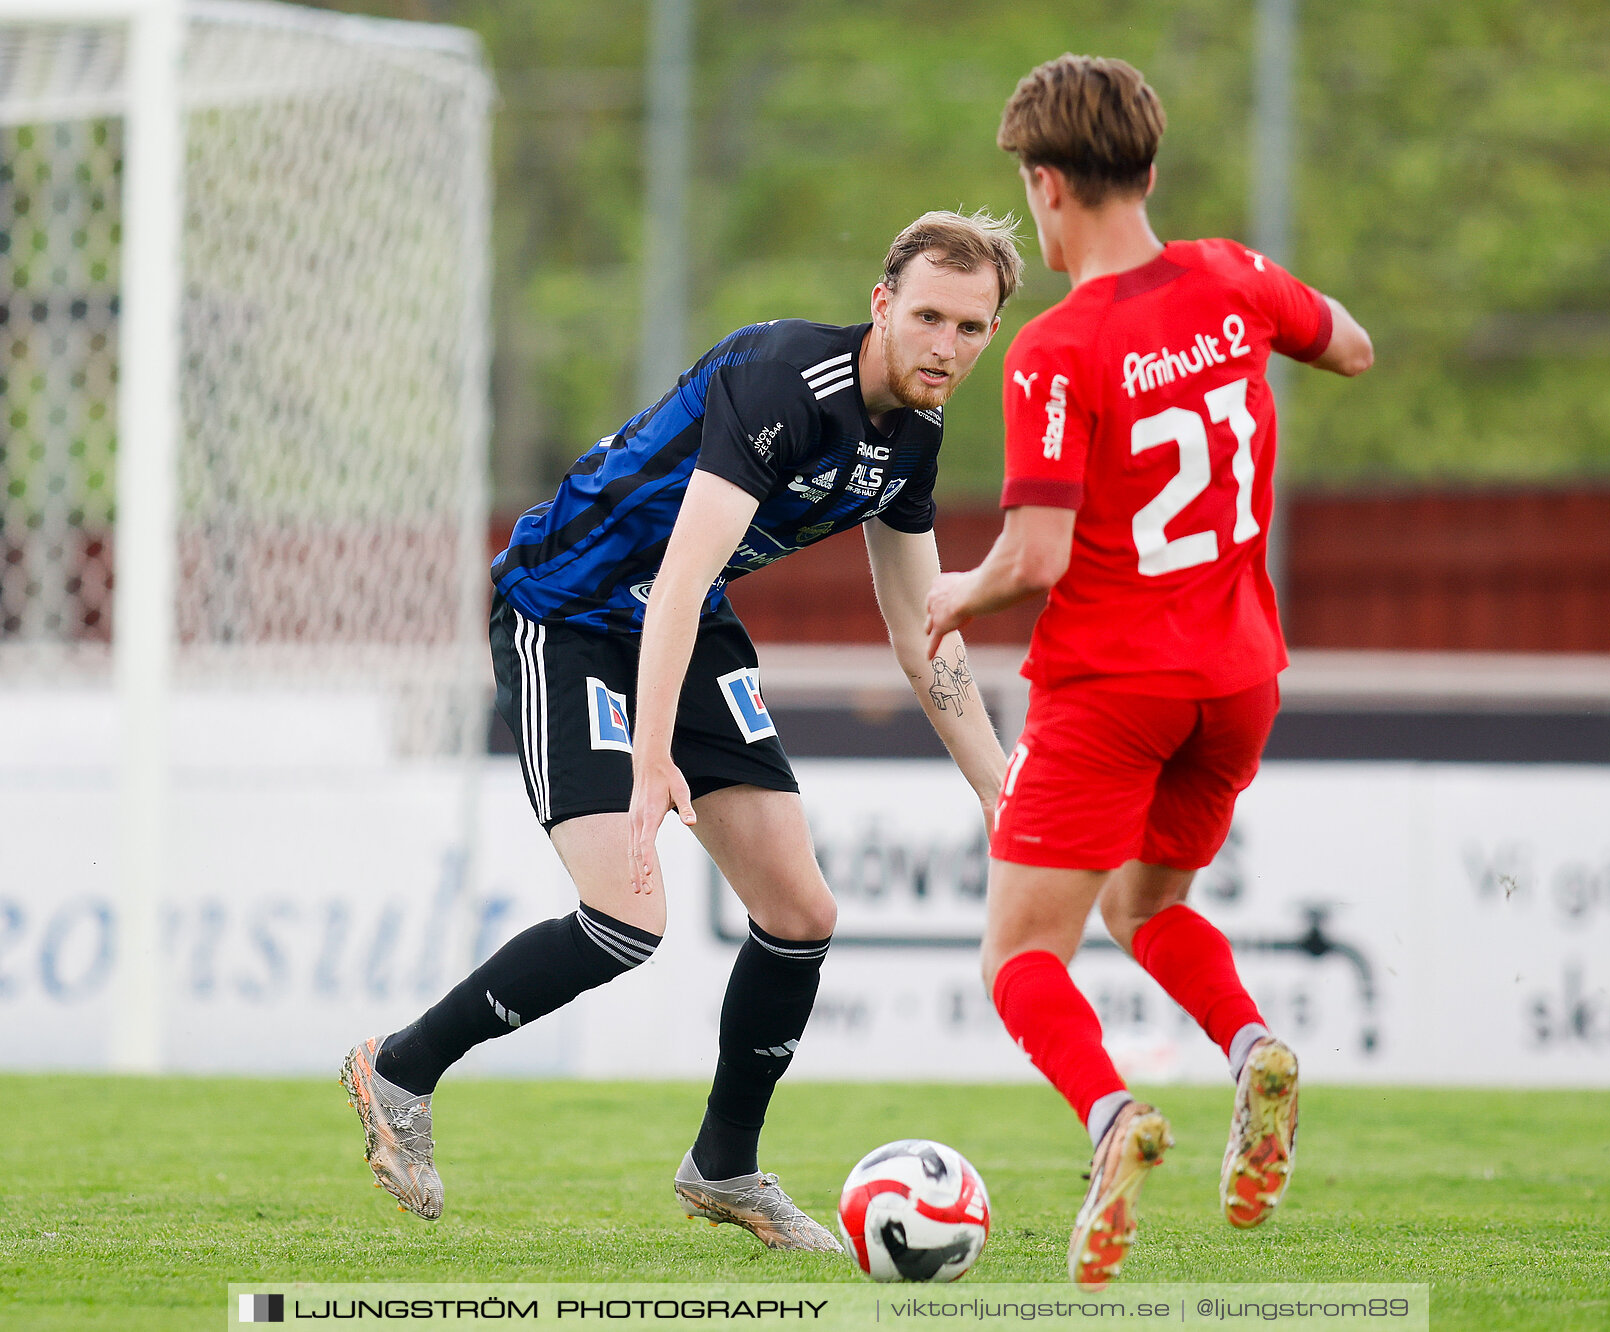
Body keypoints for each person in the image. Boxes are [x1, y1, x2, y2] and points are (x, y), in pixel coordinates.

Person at [342, 210, 1022, 1251]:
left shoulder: (913, 441)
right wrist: (653, 759)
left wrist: (996, 788)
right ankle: (398, 1068)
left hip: (681, 624)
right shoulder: (785, 381)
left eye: (972, 329)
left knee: (801, 910)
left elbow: (923, 633)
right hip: (567, 610)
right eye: (928, 315)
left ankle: (725, 1166)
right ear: (881, 305)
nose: (946, 345)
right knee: (627, 916)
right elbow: (680, 577)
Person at [924, 55, 1373, 1289]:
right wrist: (1248, 326)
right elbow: (1353, 348)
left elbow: (1037, 555)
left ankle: (1115, 1118)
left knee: (1020, 956)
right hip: (1237, 679)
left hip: (1114, 685)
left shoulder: (1055, 350)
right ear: (1153, 172)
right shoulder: (1232, 278)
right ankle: (1251, 1046)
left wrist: (951, 599)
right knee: (1146, 909)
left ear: (1047, 182)